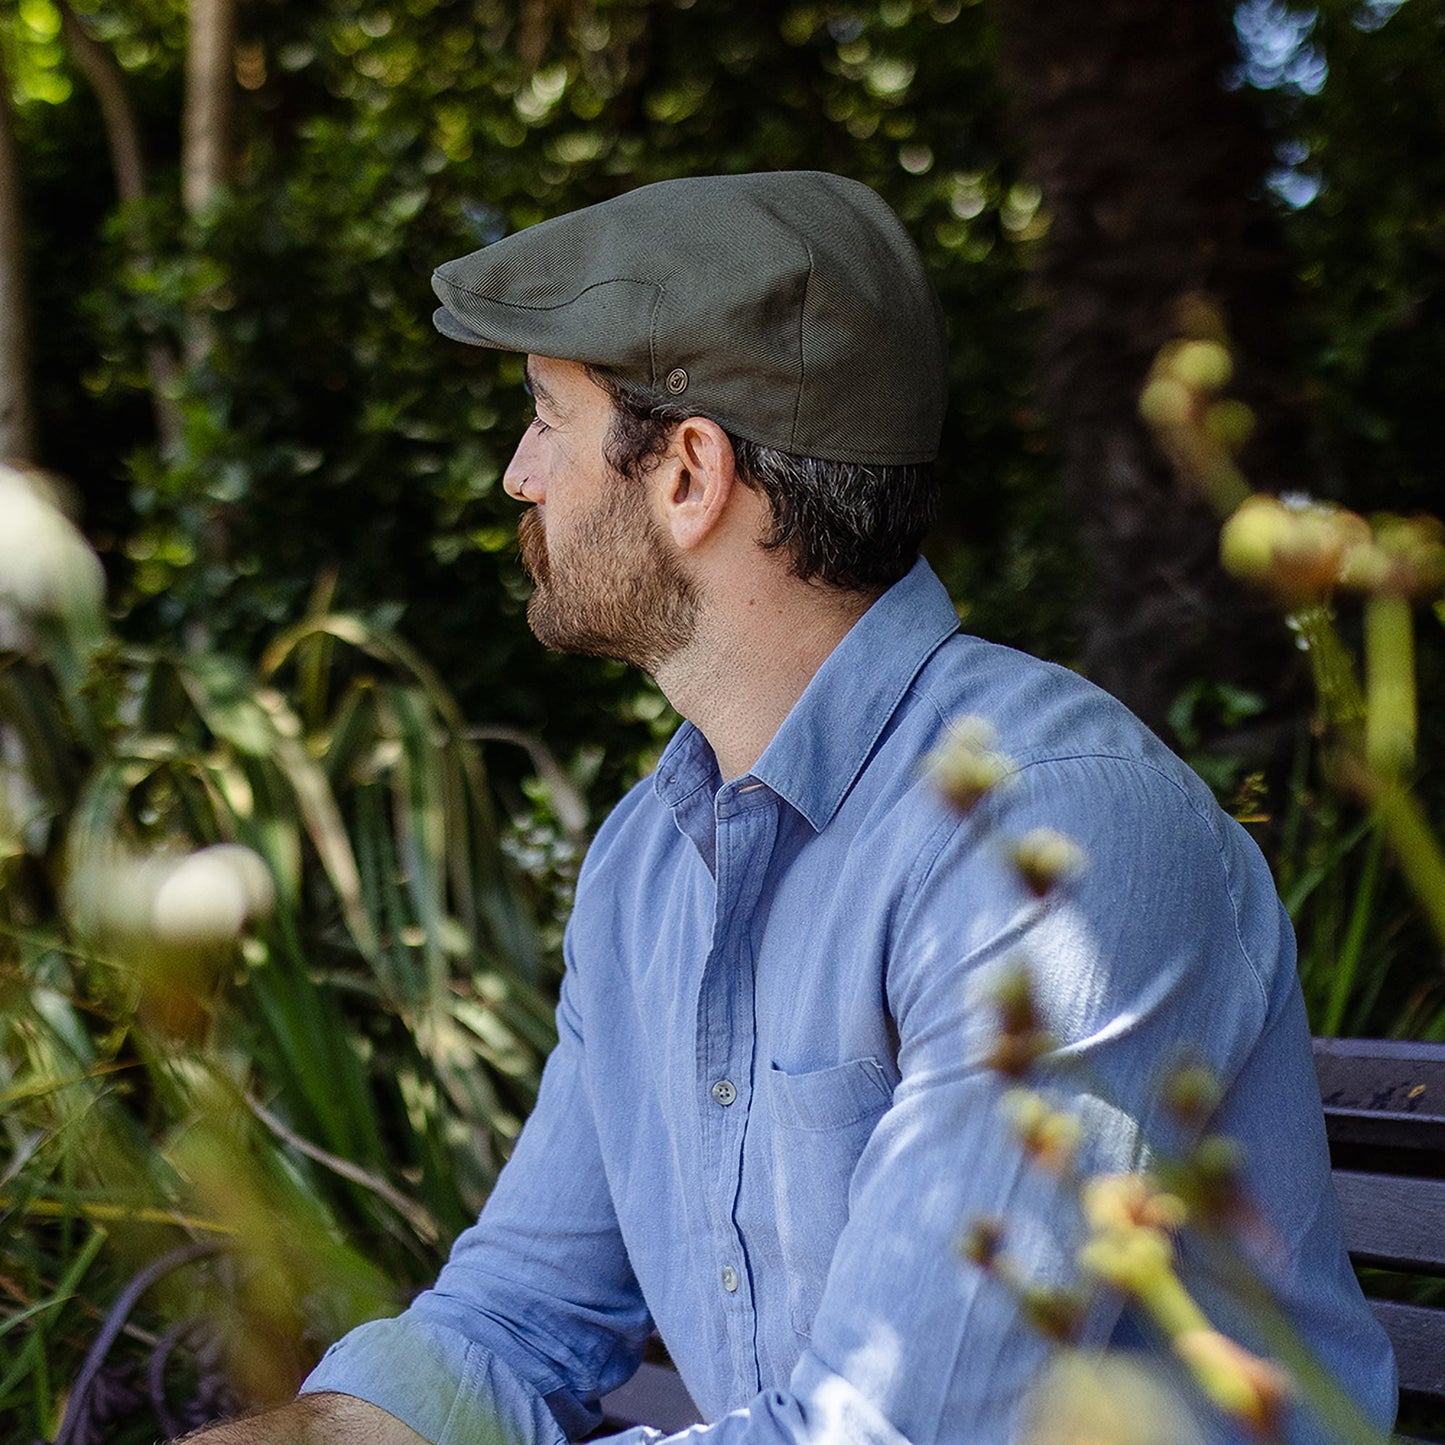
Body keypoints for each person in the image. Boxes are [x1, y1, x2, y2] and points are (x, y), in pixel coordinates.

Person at [180, 172, 1394, 1445]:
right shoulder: (649, 861)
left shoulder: (1054, 838)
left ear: (690, 473)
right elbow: (514, 1320)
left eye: (546, 418)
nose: (515, 475)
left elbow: (897, 1431)